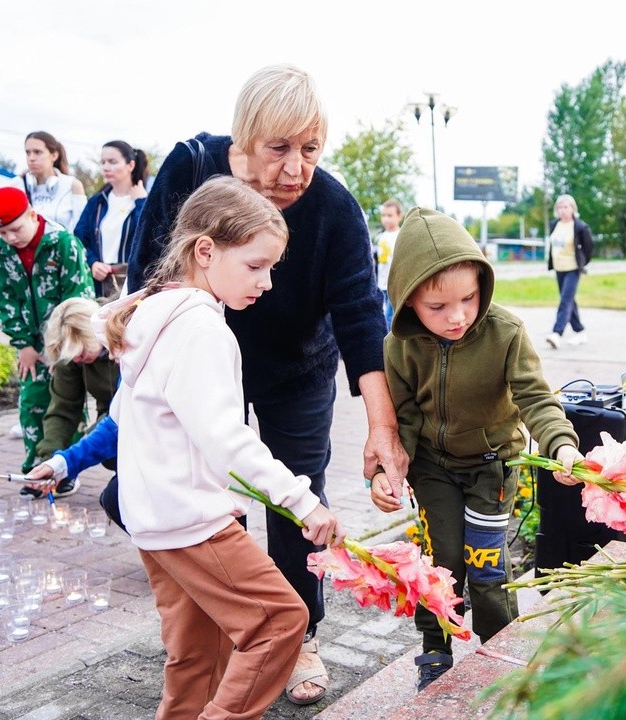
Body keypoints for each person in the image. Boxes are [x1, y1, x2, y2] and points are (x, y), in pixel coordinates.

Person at [126, 62, 407, 705]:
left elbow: (362, 316)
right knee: (199, 496)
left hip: (296, 368)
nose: (294, 169)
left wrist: (381, 427)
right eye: (279, 148)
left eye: (310, 150)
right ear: (243, 137)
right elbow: (148, 274)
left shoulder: (333, 206)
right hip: (197, 357)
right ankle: (217, 637)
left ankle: (298, 632)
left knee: (295, 493)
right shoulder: (191, 169)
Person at [96, 175, 345, 720]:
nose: (268, 283)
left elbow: (126, 418)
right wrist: (302, 500)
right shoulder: (202, 330)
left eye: (272, 268)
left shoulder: (153, 315)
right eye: (255, 266)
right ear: (205, 251)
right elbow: (226, 439)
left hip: (155, 521)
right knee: (281, 621)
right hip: (191, 520)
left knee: (197, 658)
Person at [368, 207, 582, 692]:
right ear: (407, 303)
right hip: (433, 470)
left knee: (486, 564)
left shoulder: (505, 333)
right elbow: (398, 423)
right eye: (437, 307)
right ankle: (435, 651)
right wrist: (383, 475)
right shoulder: (398, 347)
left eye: (468, 298)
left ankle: (498, 645)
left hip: (491, 468)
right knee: (438, 564)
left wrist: (563, 445)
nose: (458, 316)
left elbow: (535, 398)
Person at [0, 186, 95, 479]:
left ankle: (65, 471)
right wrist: (23, 345)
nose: (11, 238)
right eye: (3, 233)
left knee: (66, 404)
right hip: (31, 344)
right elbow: (4, 298)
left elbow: (78, 299)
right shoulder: (3, 251)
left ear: (33, 215)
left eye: (15, 229)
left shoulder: (64, 244)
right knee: (32, 404)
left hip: (67, 342)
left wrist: (63, 347)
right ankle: (36, 468)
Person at [22, 297, 120, 498]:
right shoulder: (72, 355)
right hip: (110, 416)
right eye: (72, 356)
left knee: (105, 444)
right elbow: (63, 409)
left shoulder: (125, 342)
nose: (77, 359)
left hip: (136, 417)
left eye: (81, 352)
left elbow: (120, 417)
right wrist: (50, 461)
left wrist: (71, 460)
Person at [72, 141, 148, 298]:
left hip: (134, 287)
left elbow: (150, 236)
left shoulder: (145, 200)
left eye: (113, 162)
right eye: (103, 162)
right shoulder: (97, 202)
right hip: (99, 286)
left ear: (131, 165)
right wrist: (92, 262)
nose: (106, 167)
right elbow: (79, 238)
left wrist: (141, 202)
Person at [545, 193, 593, 349]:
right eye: (560, 207)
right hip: (559, 269)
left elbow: (589, 248)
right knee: (569, 300)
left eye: (566, 207)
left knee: (565, 300)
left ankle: (556, 333)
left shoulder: (580, 227)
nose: (563, 210)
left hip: (573, 269)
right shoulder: (555, 225)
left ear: (573, 208)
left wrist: (582, 263)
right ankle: (580, 331)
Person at [17, 131, 87, 232]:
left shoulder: (72, 185)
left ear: (54, 155)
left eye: (37, 152)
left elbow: (82, 230)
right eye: (28, 153)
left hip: (61, 246)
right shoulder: (17, 184)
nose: (31, 158)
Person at [376, 198, 403, 327]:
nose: (386, 219)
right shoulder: (381, 236)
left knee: (390, 315)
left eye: (390, 215)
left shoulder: (401, 235)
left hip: (395, 283)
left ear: (399, 216)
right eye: (383, 215)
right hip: (382, 282)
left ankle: (389, 343)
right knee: (382, 313)